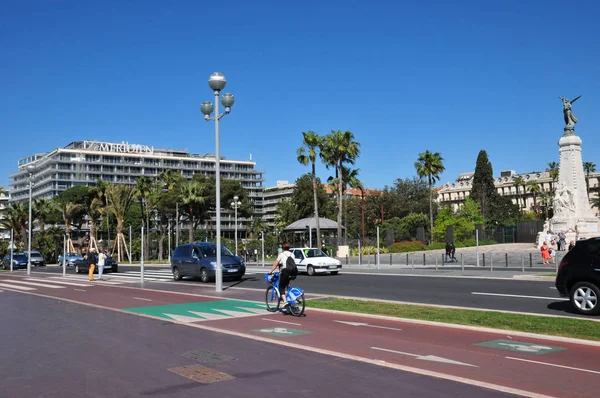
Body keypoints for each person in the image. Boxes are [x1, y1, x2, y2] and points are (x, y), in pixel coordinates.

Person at [268, 242, 293, 306]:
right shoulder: (292, 254)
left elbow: (275, 265)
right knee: (288, 284)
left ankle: (285, 301)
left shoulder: (281, 255)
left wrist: (270, 271)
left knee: (281, 286)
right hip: (293, 272)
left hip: (285, 272)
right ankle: (291, 298)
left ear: (282, 248)